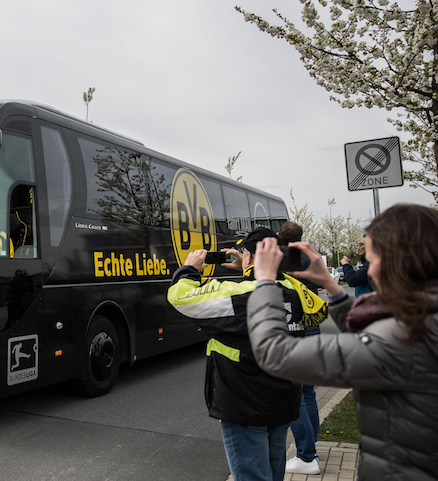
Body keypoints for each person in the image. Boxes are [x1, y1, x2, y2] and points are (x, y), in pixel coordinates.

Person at [246, 203, 438, 481]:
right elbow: (373, 331)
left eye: (374, 261)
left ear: (398, 261)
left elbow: (275, 354)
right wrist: (333, 289)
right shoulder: (421, 320)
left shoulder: (401, 341)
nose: (370, 272)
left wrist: (264, 282)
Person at [168, 228, 328, 481]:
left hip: (244, 404)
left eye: (244, 252)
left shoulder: (239, 293)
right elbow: (316, 308)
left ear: (251, 257)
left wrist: (190, 269)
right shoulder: (294, 290)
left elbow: (180, 298)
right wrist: (250, 267)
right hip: (283, 401)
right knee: (274, 473)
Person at [276, 221, 322, 475]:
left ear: (281, 237)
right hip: (312, 327)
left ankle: (306, 455)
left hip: (294, 329)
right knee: (308, 393)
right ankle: (310, 449)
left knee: (295, 395)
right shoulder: (309, 256)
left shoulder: (287, 258)